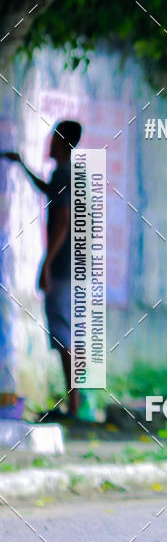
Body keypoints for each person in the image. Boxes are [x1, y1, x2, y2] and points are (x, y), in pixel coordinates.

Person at [3, 119, 83, 420]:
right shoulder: (65, 173)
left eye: (53, 138)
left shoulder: (64, 173)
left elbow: (62, 221)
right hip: (70, 265)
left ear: (62, 142)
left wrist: (46, 264)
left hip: (62, 267)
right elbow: (48, 191)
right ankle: (75, 403)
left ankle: (74, 405)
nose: (49, 142)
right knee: (65, 334)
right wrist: (22, 165)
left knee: (63, 335)